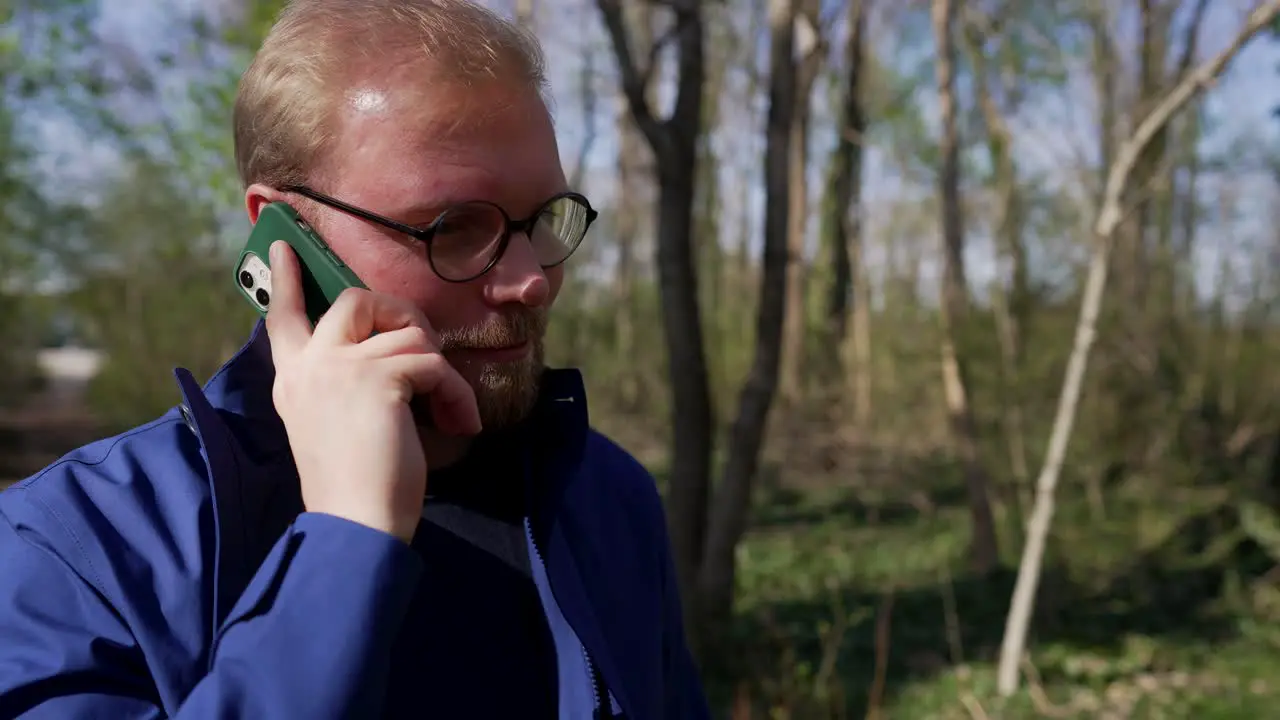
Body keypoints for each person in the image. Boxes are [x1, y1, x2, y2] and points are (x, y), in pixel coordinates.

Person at [0, 1, 710, 718]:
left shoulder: (605, 495)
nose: (530, 279)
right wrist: (347, 540)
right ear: (284, 237)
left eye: (544, 220)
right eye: (454, 226)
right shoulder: (72, 552)